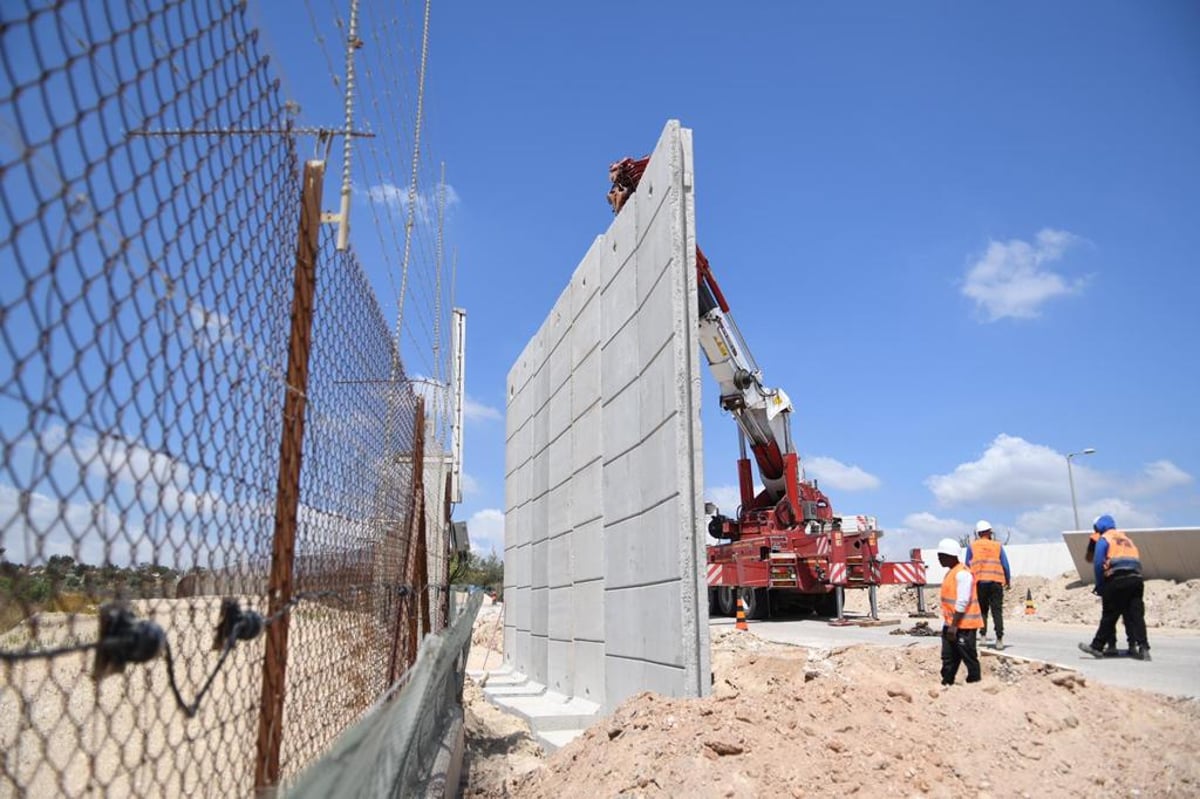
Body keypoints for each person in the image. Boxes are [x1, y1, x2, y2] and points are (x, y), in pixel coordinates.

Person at [1078, 514, 1151, 661]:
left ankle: (1097, 647)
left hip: (1117, 580)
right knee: (1136, 615)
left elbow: (1098, 562)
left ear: (1098, 527)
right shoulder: (1126, 539)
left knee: (1109, 615)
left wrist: (1100, 584)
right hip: (1136, 579)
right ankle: (1143, 648)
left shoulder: (1105, 538)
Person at [936, 538, 983, 685]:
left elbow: (962, 601)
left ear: (950, 555)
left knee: (968, 655)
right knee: (948, 657)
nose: (939, 558)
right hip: (951, 624)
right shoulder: (951, 573)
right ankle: (947, 682)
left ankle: (975, 683)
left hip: (964, 626)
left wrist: (954, 626)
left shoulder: (963, 574)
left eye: (941, 556)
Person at [965, 520, 1011, 649]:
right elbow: (1005, 565)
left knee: (982, 611)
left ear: (978, 533)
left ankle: (983, 636)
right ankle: (999, 639)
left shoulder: (972, 547)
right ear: (990, 532)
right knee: (997, 611)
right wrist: (1007, 580)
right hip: (996, 582)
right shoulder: (997, 546)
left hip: (979, 583)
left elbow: (967, 566)